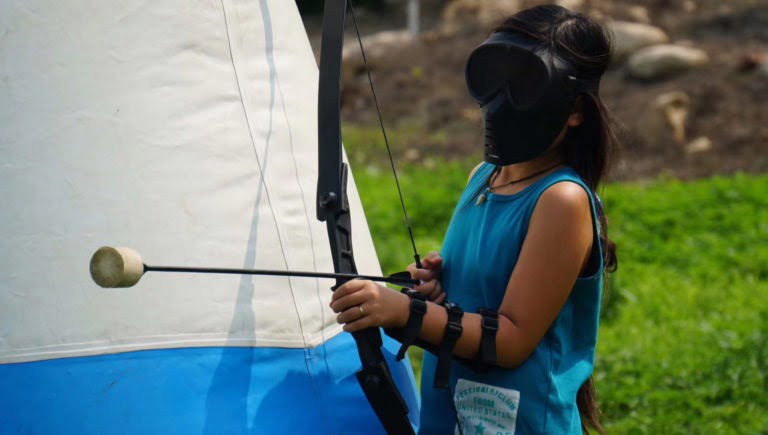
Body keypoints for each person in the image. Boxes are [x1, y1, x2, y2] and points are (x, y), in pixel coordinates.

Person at [330, 5, 619, 434]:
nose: (502, 102)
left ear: (576, 109)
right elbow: (475, 313)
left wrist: (404, 311)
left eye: (527, 85)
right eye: (494, 79)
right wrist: (436, 295)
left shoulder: (561, 199)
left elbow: (510, 340)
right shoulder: (483, 177)